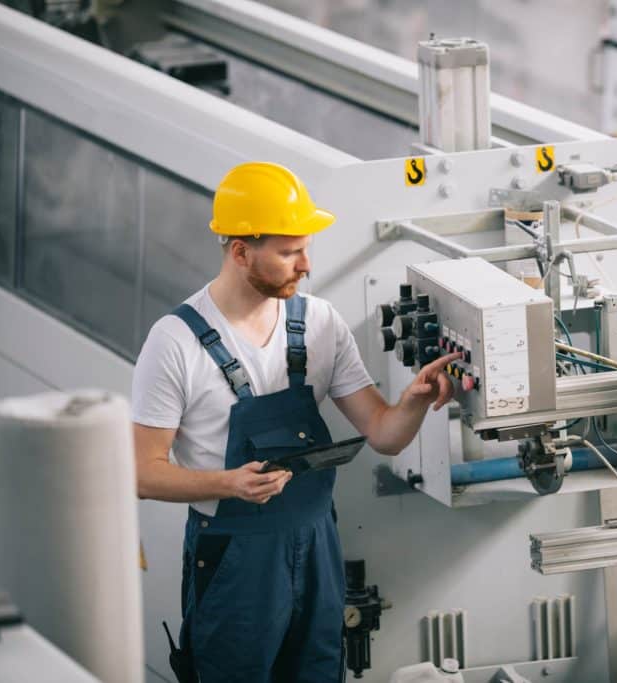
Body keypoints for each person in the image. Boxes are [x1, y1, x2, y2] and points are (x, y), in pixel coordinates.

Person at [132, 161, 459, 682]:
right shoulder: (175, 342)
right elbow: (142, 473)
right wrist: (229, 484)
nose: (306, 263)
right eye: (288, 252)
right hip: (233, 559)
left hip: (316, 546)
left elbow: (384, 434)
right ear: (241, 251)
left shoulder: (320, 323)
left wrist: (415, 401)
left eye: (305, 247)